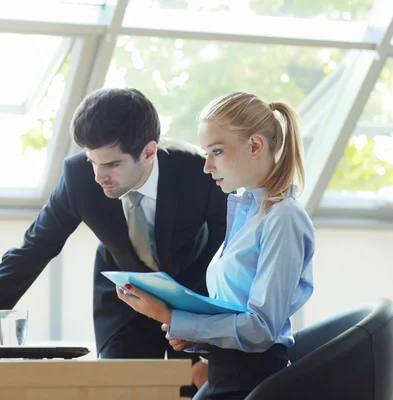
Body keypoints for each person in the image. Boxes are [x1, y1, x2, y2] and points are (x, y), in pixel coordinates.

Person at [0, 88, 229, 395]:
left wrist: (215, 344)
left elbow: (228, 258)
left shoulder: (200, 174)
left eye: (110, 164)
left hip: (194, 295)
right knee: (125, 389)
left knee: (192, 387)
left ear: (149, 152)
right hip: (126, 301)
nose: (98, 176)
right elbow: (32, 251)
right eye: (92, 161)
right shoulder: (80, 177)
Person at [116, 92, 315, 400]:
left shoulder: (283, 218)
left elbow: (261, 330)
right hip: (226, 377)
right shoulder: (249, 212)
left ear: (255, 145)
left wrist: (172, 317)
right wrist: (192, 335)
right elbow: (236, 312)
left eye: (217, 151)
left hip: (252, 385)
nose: (207, 166)